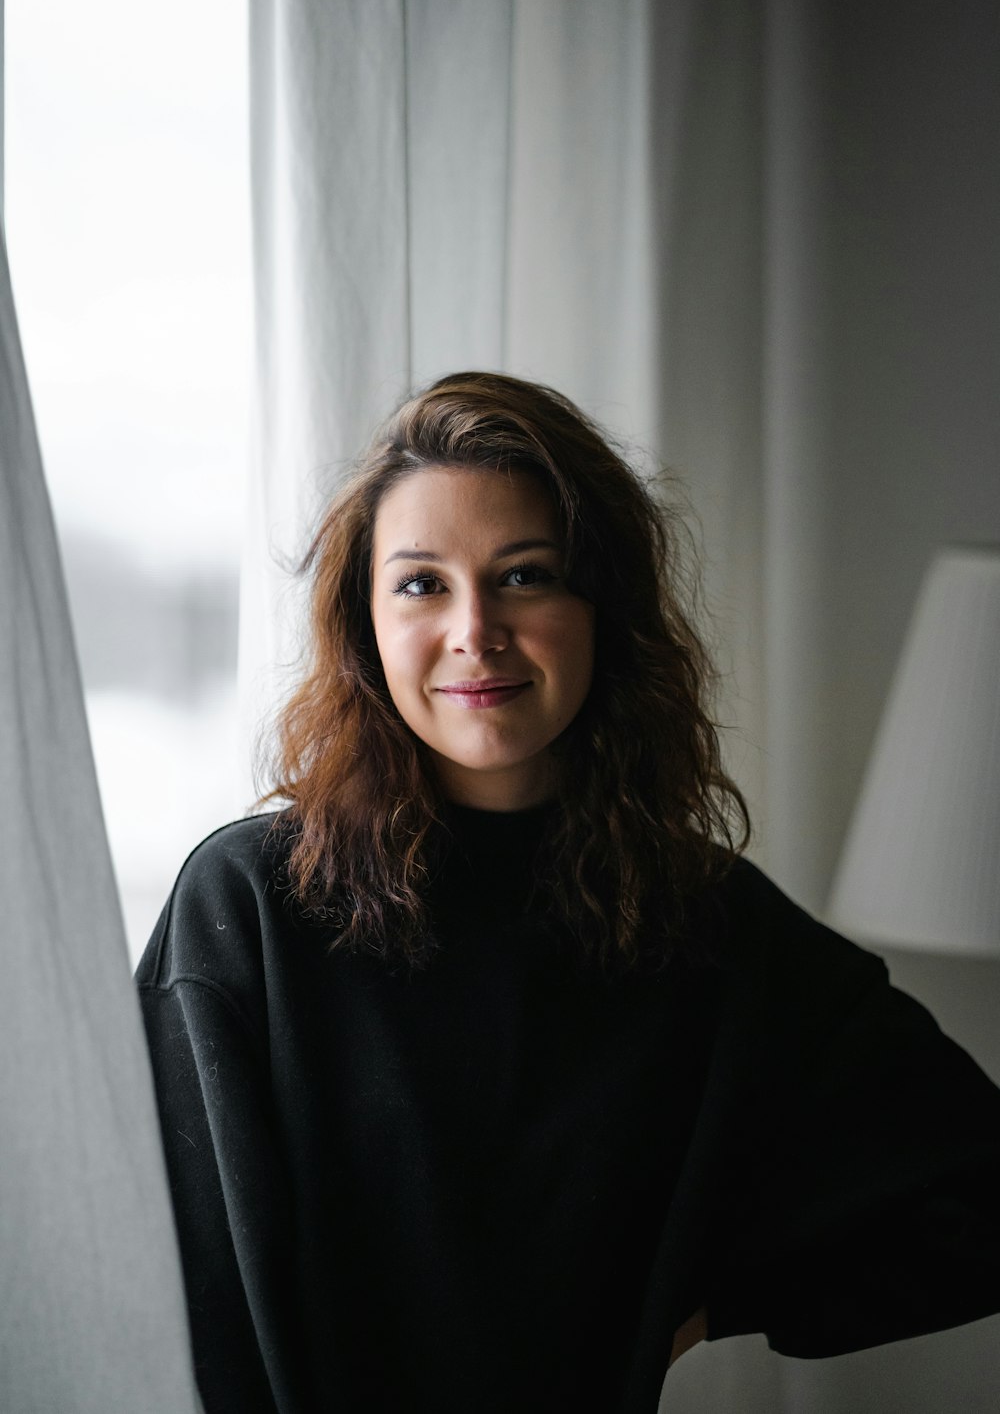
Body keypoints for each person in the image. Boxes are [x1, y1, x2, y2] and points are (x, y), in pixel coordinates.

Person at [137, 372, 1000, 1414]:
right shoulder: (252, 908)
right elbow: (158, 1282)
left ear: (602, 609)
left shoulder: (706, 922)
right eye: (421, 584)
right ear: (364, 625)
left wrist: (714, 1306)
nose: (474, 630)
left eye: (524, 575)